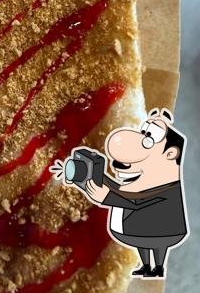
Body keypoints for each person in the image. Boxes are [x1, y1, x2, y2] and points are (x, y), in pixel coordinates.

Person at [67, 108, 188, 278]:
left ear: (170, 154)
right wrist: (96, 176)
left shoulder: (165, 188)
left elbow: (136, 202)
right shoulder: (138, 182)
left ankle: (157, 267)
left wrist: (106, 197)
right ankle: (146, 266)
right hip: (138, 229)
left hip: (162, 229)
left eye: (148, 140)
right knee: (142, 243)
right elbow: (120, 189)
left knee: (156, 243)